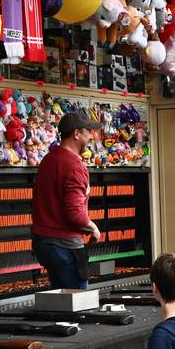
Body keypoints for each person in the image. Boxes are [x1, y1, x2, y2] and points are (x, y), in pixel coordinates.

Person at [31, 110, 102, 289]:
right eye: (89, 132)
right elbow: (74, 214)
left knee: (59, 302)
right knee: (78, 303)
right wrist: (93, 228)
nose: (92, 136)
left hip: (43, 242)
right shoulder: (75, 167)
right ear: (76, 134)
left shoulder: (47, 160)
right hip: (65, 245)